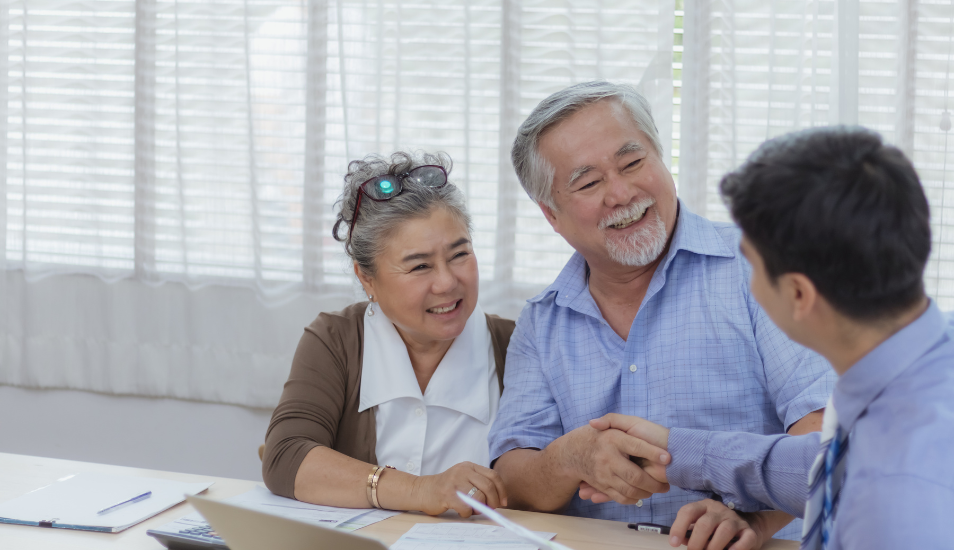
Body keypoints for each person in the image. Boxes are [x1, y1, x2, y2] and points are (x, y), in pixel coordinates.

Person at [488, 81, 836, 541]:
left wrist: (753, 515)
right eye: (589, 183)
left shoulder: (763, 265)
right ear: (551, 215)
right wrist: (570, 457)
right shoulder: (541, 321)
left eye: (633, 163)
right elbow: (512, 481)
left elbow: (828, 437)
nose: (621, 193)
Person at [587, 126, 954, 550]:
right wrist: (680, 451)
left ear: (798, 295)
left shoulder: (900, 499)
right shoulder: (911, 376)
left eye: (752, 266)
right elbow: (823, 464)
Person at [262, 151, 514, 517]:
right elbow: (285, 456)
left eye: (459, 255)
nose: (447, 282)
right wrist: (420, 490)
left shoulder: (517, 345)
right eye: (420, 266)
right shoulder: (336, 340)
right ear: (367, 278)